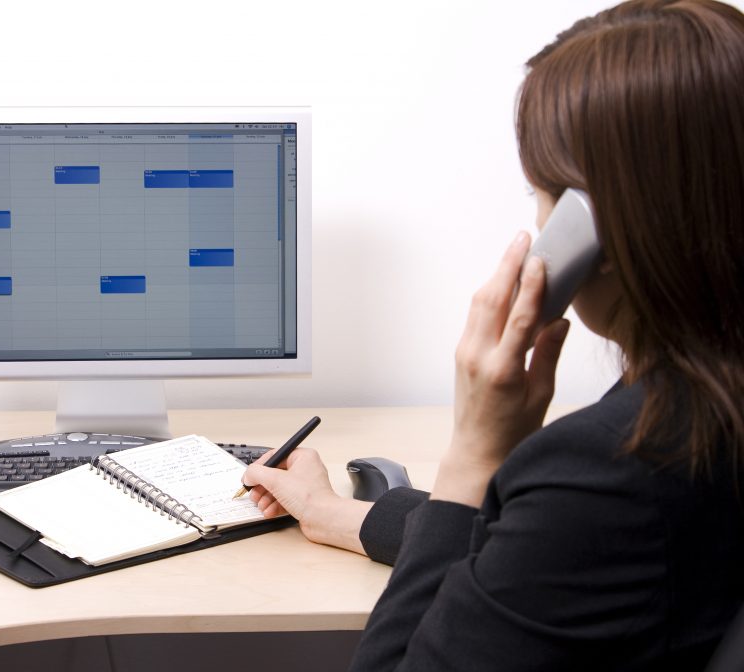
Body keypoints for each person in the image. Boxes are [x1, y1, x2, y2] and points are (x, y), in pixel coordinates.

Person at [242, 1, 744, 669]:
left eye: (539, 193)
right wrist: (330, 512)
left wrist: (474, 453)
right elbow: (530, 547)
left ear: (592, 232)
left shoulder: (609, 467)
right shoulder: (701, 414)